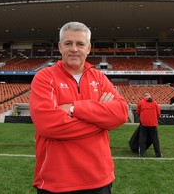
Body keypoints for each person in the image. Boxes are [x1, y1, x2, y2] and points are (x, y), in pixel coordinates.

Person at [29, 21, 129, 193]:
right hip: (56, 182)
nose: (74, 49)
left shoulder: (99, 77)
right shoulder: (44, 77)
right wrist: (100, 119)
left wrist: (74, 108)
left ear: (88, 48)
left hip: (99, 180)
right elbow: (48, 126)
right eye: (68, 43)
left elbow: (121, 113)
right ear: (60, 47)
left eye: (80, 44)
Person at [136, 92, 162, 157]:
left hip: (143, 123)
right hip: (153, 124)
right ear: (149, 96)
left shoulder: (141, 102)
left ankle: (142, 153)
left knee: (142, 139)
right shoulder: (154, 102)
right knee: (155, 139)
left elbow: (137, 112)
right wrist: (155, 119)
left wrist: (142, 117)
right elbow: (158, 113)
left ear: (144, 97)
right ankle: (158, 154)